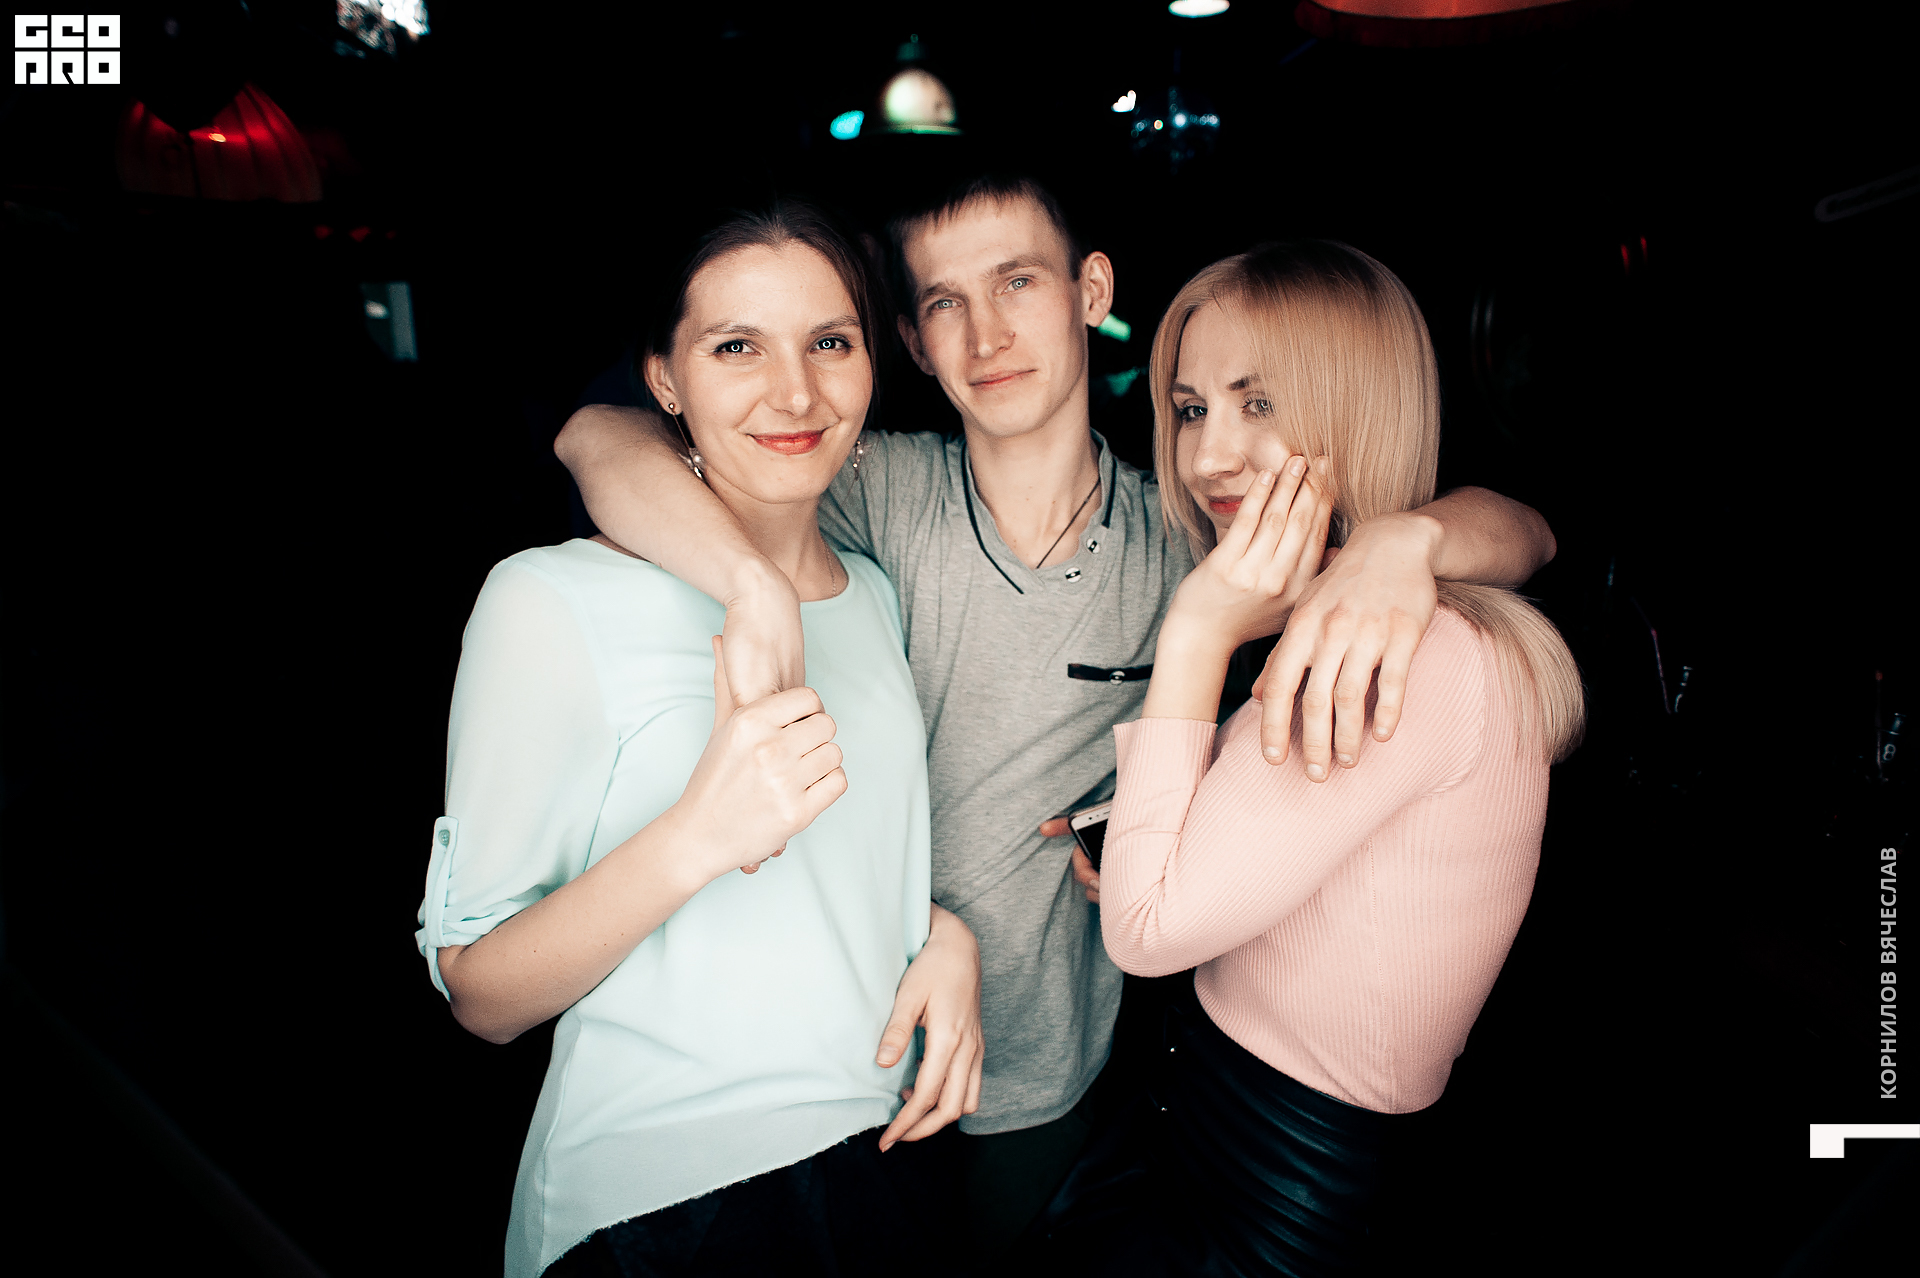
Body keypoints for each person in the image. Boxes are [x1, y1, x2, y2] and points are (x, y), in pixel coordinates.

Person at [555, 174, 1558, 1258]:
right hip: (833, 1066)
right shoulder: (869, 488)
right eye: (944, 302)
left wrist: (1407, 538)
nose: (985, 334)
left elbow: (1530, 535)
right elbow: (598, 436)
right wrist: (747, 582)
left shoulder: (1195, 535)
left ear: (1092, 291)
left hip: (1047, 1079)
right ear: (912, 340)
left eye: (1017, 282)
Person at [417, 201, 984, 1278]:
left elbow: (837, 886)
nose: (795, 393)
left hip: (884, 1163)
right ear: (665, 380)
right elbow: (480, 996)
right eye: (736, 348)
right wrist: (698, 836)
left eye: (830, 342)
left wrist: (938, 932)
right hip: (664, 1202)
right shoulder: (550, 599)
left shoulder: (873, 595)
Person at [1093, 240, 1586, 1276]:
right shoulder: (1363, 608)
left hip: (1275, 1182)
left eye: (1259, 403)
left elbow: (1144, 930)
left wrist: (1195, 631)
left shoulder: (1407, 650)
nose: (1208, 457)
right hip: (1215, 1117)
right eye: (1192, 410)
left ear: (1359, 405)